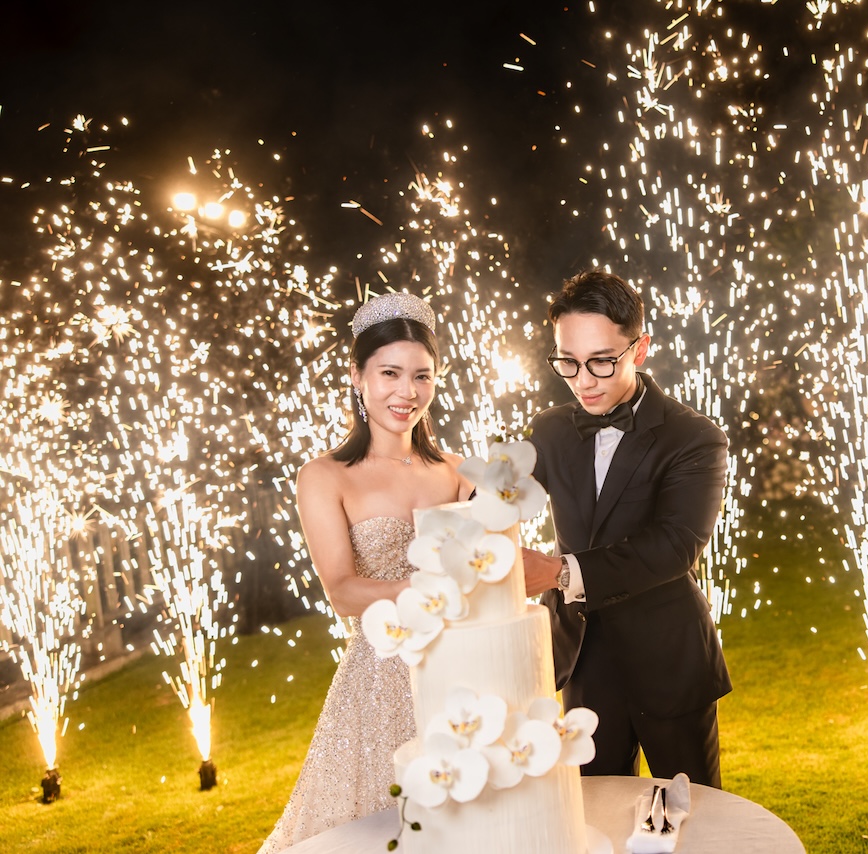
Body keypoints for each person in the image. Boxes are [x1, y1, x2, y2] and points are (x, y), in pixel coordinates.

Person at [258, 292, 471, 852]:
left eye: (421, 376)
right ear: (357, 376)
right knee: (383, 830)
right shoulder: (325, 475)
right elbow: (343, 592)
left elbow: (495, 562)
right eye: (389, 373)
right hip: (379, 684)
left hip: (460, 674)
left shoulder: (459, 470)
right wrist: (430, 590)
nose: (407, 392)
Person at [522, 269, 732, 788]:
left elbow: (674, 547)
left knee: (695, 814)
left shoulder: (695, 437)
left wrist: (559, 571)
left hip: (670, 661)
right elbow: (495, 497)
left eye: (601, 361)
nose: (583, 380)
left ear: (640, 349)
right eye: (567, 362)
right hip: (582, 659)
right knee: (594, 815)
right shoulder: (548, 429)